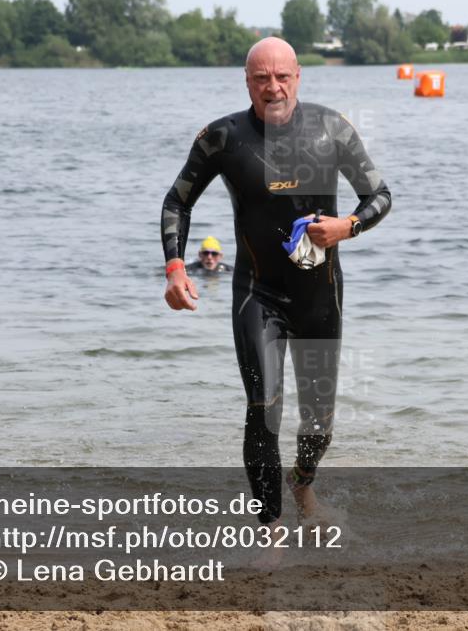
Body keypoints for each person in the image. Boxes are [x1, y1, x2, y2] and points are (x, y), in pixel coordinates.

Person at [160, 37, 391, 541]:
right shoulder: (222, 137)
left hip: (319, 295)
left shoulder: (332, 128)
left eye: (282, 76)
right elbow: (177, 202)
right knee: (264, 408)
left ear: (298, 76)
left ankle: (302, 484)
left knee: (319, 422)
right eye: (262, 78)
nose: (273, 87)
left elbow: (379, 195)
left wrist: (347, 226)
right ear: (248, 82)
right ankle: (270, 531)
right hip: (256, 294)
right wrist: (176, 266)